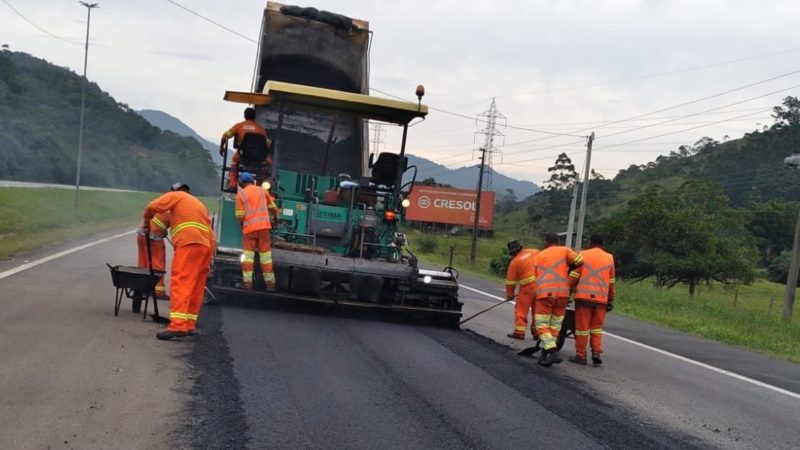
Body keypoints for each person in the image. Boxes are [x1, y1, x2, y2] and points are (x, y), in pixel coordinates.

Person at [142, 182, 215, 340]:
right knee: (195, 285)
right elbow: (209, 230)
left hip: (189, 243)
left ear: (173, 191)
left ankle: (177, 326)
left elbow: (152, 206)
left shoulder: (176, 196)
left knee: (181, 282)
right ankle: (189, 325)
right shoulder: (198, 204)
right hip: (206, 246)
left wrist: (146, 220)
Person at [532, 233, 583, 367]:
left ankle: (553, 352)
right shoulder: (565, 251)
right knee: (555, 326)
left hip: (546, 294)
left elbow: (536, 277)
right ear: (558, 242)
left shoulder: (539, 256)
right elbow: (580, 261)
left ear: (546, 242)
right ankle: (545, 353)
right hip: (562, 295)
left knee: (542, 325)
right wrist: (569, 268)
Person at [569, 234, 615, 366]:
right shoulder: (609, 257)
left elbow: (574, 276)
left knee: (582, 328)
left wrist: (568, 292)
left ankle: (581, 356)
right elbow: (611, 282)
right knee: (596, 328)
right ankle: (596, 352)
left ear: (590, 242)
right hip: (601, 298)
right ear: (602, 244)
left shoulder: (582, 254)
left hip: (584, 297)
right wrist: (611, 298)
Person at [235, 172, 279, 289]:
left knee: (248, 258)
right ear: (253, 181)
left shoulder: (241, 195)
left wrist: (242, 225)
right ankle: (270, 285)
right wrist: (276, 218)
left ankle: (248, 284)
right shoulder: (262, 191)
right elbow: (273, 208)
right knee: (266, 258)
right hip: (264, 229)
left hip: (249, 230)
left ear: (240, 183)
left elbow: (239, 215)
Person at [220, 107, 272, 190]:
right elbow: (268, 144)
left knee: (234, 161)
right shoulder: (261, 129)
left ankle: (233, 184)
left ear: (245, 116)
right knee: (269, 163)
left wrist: (221, 148)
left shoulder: (239, 126)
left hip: (243, 155)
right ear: (255, 117)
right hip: (259, 157)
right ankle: (262, 184)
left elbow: (225, 136)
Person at [504, 240, 539, 340]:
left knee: (521, 309)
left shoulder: (515, 262)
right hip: (541, 285)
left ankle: (519, 332)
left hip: (527, 287)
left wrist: (510, 295)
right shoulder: (534, 252)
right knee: (538, 310)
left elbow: (510, 282)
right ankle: (537, 332)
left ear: (512, 252)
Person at [136, 210, 170, 299]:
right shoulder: (177, 209)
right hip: (154, 237)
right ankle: (158, 291)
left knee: (143, 262)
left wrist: (163, 230)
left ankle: (141, 288)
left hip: (141, 233)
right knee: (158, 263)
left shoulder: (163, 203)